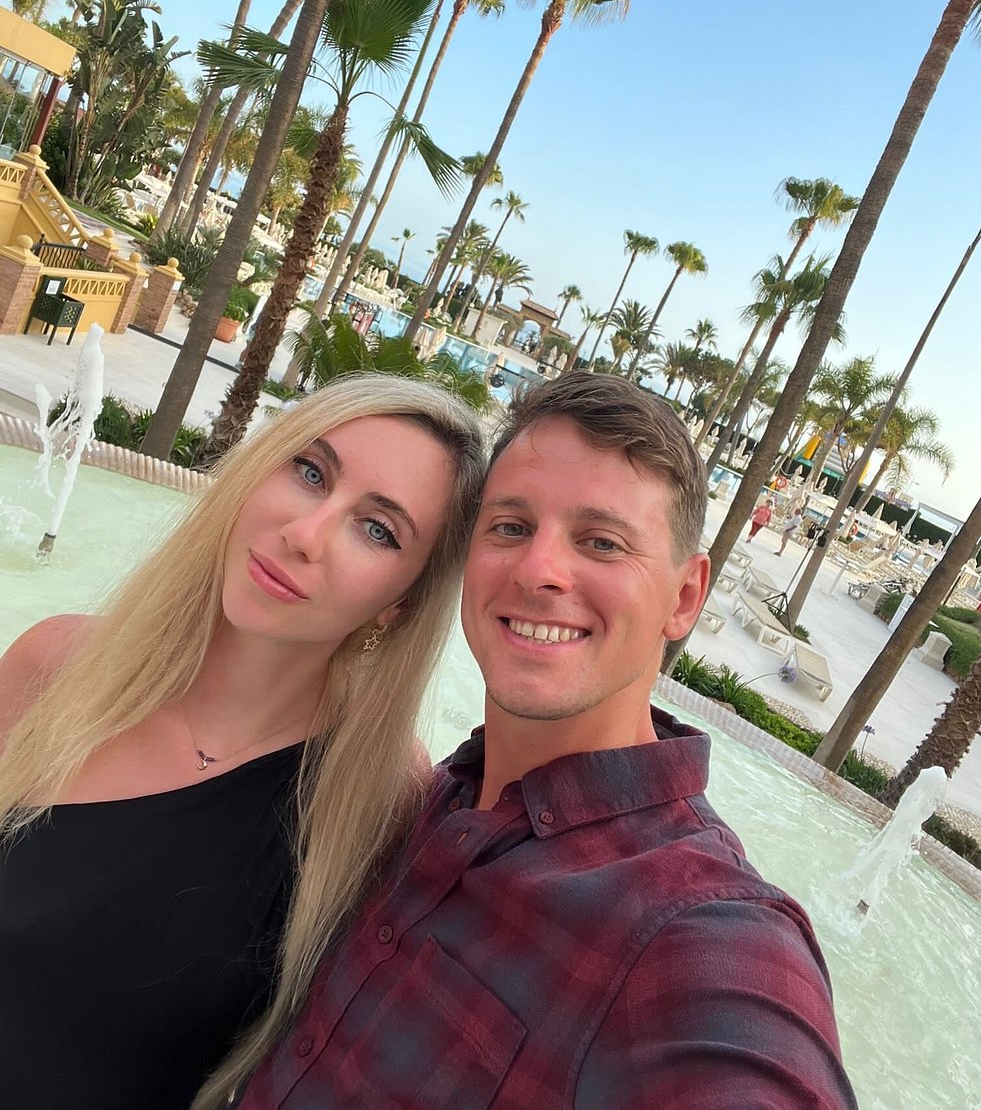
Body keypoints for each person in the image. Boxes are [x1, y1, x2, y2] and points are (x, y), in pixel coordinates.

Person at [235, 372, 856, 1109]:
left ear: (685, 596)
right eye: (510, 527)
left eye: (602, 542)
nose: (538, 571)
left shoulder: (701, 935)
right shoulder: (429, 801)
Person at [0, 375, 485, 1110]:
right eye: (310, 472)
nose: (305, 534)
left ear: (401, 603)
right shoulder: (57, 665)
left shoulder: (375, 800)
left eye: (377, 529)